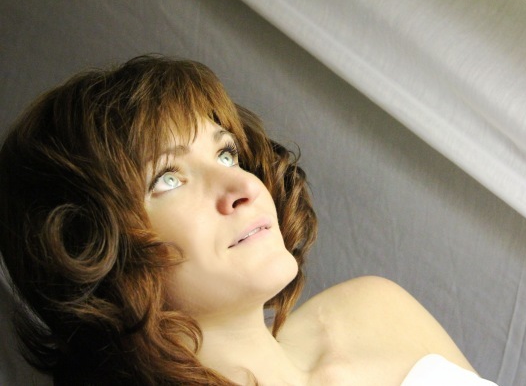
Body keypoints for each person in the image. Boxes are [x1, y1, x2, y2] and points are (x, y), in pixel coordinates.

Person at [0, 55, 496, 385]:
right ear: (90, 250)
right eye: (168, 178)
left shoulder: (374, 309)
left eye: (226, 154)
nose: (243, 187)